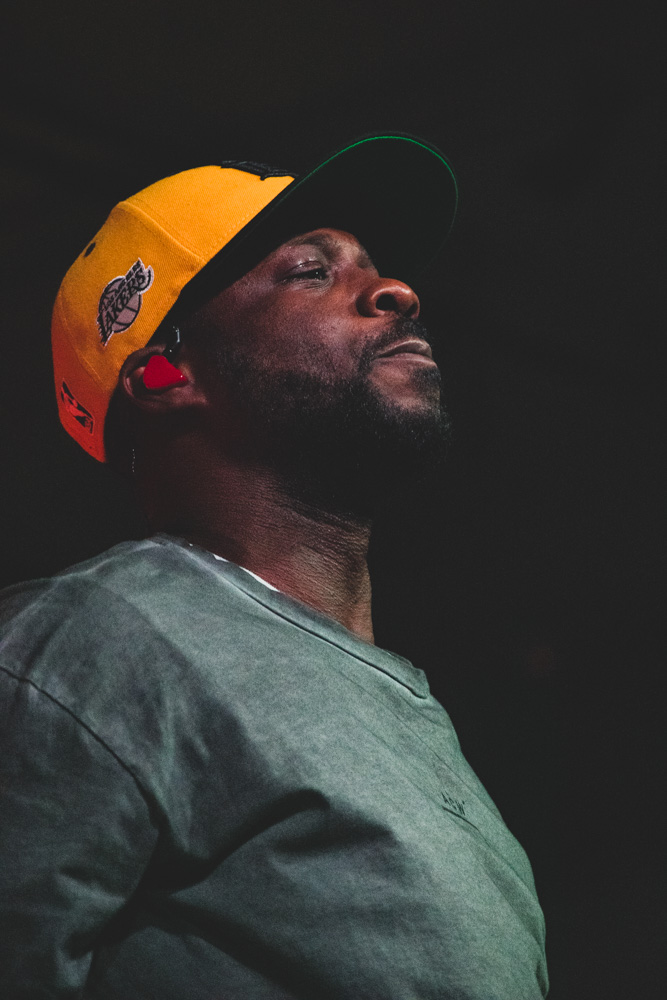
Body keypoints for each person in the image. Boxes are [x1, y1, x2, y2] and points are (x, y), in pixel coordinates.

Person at [0, 134, 549, 999]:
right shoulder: (93, 648)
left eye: (373, 265)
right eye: (309, 271)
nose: (397, 290)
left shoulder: (401, 709)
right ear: (168, 372)